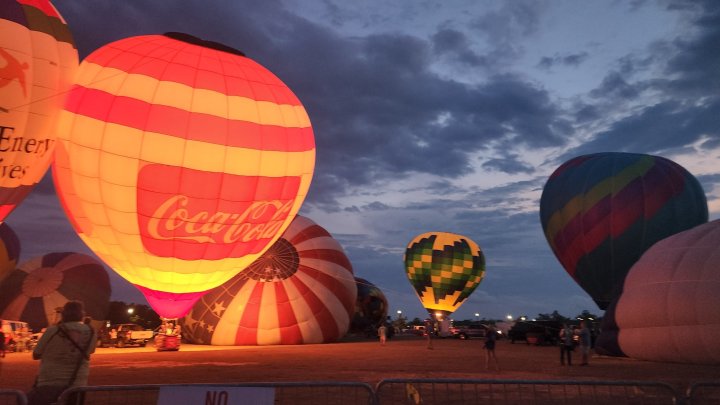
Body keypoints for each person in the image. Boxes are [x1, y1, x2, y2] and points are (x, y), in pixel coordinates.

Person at [28, 301, 96, 405]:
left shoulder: (52, 330)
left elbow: (36, 354)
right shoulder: (91, 331)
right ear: (82, 314)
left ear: (63, 314)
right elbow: (90, 350)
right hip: (78, 383)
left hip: (49, 381)